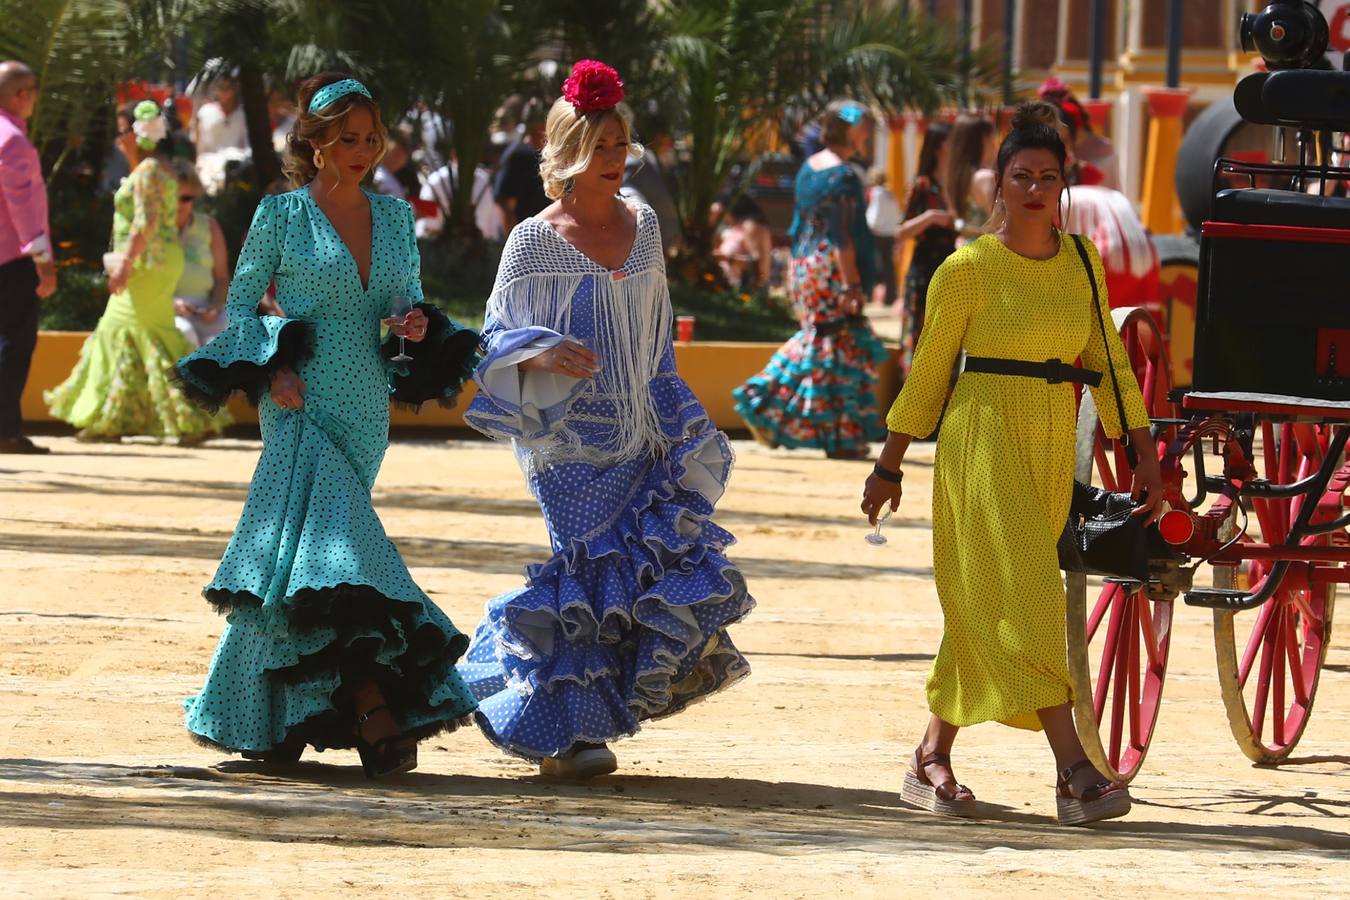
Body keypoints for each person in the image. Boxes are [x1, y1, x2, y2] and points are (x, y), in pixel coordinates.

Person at [860, 102, 1164, 826]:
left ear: (1064, 185)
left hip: (1053, 441)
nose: (1033, 190)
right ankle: (1073, 770)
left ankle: (929, 758)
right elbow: (929, 375)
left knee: (985, 604)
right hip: (982, 440)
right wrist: (889, 467)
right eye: (1020, 176)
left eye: (1047, 177)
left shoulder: (1082, 264)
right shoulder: (966, 270)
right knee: (1027, 594)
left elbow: (1110, 363)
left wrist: (1145, 455)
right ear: (997, 185)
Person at [172, 73, 481, 777]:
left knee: (300, 571)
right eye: (348, 138)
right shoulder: (281, 216)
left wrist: (410, 321)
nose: (363, 150)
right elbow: (242, 308)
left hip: (365, 404)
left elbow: (409, 305)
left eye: (372, 138)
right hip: (296, 404)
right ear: (314, 144)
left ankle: (270, 719)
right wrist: (270, 372)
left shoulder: (396, 217)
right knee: (335, 560)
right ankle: (373, 706)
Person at [458, 60, 753, 778]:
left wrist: (674, 408)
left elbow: (657, 329)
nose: (614, 160)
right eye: (600, 147)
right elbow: (492, 339)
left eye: (621, 145)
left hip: (645, 426)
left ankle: (589, 724)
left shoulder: (644, 226)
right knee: (585, 572)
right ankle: (562, 727)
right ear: (566, 153)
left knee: (642, 571)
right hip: (563, 441)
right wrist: (544, 351)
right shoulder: (532, 241)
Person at [46, 100, 229, 445]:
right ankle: (157, 417)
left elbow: (145, 222)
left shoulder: (147, 171)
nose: (117, 139)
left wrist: (125, 264)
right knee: (146, 332)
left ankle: (128, 419)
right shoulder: (162, 169)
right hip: (160, 260)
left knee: (118, 329)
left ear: (139, 133)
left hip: (147, 263)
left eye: (121, 131)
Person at [732, 100, 889, 459]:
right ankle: (763, 401)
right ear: (850, 131)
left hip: (803, 263)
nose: (867, 134)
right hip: (830, 265)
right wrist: (851, 283)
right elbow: (841, 235)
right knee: (833, 340)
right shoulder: (844, 175)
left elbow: (801, 223)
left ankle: (836, 433)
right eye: (864, 127)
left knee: (825, 341)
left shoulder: (809, 167)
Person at [0, 61, 55, 455]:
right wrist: (43, 259)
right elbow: (23, 206)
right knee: (13, 344)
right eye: (33, 89)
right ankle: (5, 430)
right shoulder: (12, 140)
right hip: (12, 260)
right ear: (21, 95)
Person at [895, 121, 957, 376]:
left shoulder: (956, 184)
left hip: (951, 264)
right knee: (920, 330)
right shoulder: (921, 184)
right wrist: (930, 217)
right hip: (924, 266)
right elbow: (900, 230)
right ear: (940, 146)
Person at [168, 160, 230, 349]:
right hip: (165, 310)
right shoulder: (154, 229)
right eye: (173, 197)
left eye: (186, 198)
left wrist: (216, 306)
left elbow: (221, 278)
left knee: (234, 334)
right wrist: (172, 304)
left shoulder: (209, 226)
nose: (179, 204)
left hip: (205, 310)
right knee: (184, 333)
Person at [419, 148, 502, 243]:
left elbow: (492, 220)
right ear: (453, 152)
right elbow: (425, 220)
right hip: (442, 246)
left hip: (480, 247)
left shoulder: (484, 180)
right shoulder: (436, 180)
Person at [493, 97, 550, 233]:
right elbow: (506, 206)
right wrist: (514, 246)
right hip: (527, 240)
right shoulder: (518, 155)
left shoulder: (549, 155)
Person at [945, 113, 997, 247]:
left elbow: (959, 224)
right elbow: (1001, 225)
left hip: (968, 253)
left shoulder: (955, 178)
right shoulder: (984, 178)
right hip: (987, 256)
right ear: (984, 139)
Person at [714, 194, 772, 290]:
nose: (723, 217)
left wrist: (727, 259)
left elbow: (758, 264)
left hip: (744, 290)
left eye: (724, 212)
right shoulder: (737, 228)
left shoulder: (750, 226)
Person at [864, 166, 900, 306]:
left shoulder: (876, 193)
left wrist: (869, 226)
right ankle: (890, 296)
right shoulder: (890, 194)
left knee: (872, 263)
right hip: (890, 233)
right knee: (888, 265)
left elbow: (874, 213)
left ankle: (869, 294)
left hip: (877, 232)